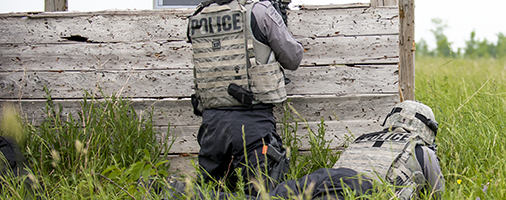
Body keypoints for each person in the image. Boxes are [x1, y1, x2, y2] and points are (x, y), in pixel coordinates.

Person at [186, 0, 303, 195]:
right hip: (253, 123)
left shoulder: (199, 15)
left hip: (211, 126)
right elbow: (293, 57)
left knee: (211, 193)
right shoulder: (259, 11)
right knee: (262, 192)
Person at [162, 101, 445, 200]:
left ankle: (180, 191)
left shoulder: (363, 138)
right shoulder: (421, 150)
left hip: (323, 177)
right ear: (425, 129)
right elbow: (439, 193)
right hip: (360, 190)